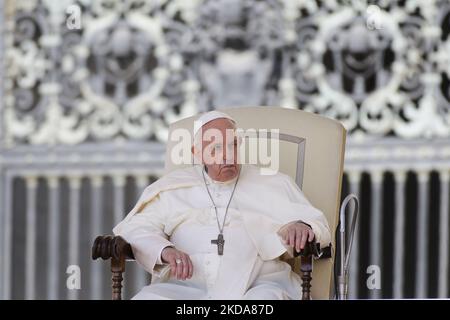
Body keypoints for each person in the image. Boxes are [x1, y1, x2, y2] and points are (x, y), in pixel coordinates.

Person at [113, 111, 331, 299]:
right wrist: (165, 251)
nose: (227, 156)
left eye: (232, 145)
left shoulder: (272, 182)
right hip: (185, 288)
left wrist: (301, 226)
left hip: (258, 286)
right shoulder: (172, 188)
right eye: (215, 148)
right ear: (196, 153)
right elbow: (136, 228)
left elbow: (315, 222)